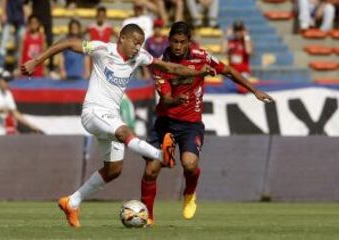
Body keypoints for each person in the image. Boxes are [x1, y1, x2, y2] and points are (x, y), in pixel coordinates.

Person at [20, 23, 215, 228]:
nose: (138, 48)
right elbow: (68, 43)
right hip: (93, 112)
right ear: (122, 38)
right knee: (124, 131)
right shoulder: (102, 49)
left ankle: (72, 202)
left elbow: (169, 67)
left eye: (140, 44)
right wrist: (37, 60)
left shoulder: (139, 57)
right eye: (135, 43)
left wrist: (198, 74)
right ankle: (160, 155)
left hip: (110, 117)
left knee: (113, 170)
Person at [140, 21, 273, 226]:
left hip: (190, 123)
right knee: (150, 170)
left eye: (182, 42)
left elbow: (227, 70)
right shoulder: (159, 63)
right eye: (174, 41)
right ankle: (146, 216)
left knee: (190, 165)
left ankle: (189, 193)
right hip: (165, 121)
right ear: (169, 41)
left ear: (189, 42)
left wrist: (254, 90)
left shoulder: (202, 57)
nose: (177, 46)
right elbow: (166, 99)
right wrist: (177, 100)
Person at [0, 70, 43, 135]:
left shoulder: (8, 94)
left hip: (1, 132)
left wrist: (32, 126)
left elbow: (15, 113)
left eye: (9, 81)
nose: (8, 83)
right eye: (6, 81)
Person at [0, 0, 26, 75]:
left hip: (20, 16)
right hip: (9, 13)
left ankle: (17, 68)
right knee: (3, 42)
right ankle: (0, 67)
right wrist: (3, 13)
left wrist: (26, 16)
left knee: (19, 44)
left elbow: (25, 4)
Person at [223, 21, 253, 93]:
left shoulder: (245, 41)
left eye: (240, 30)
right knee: (227, 88)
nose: (238, 32)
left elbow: (249, 51)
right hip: (232, 72)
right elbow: (224, 50)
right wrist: (226, 36)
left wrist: (246, 36)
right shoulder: (231, 41)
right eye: (236, 30)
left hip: (243, 72)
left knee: (242, 89)